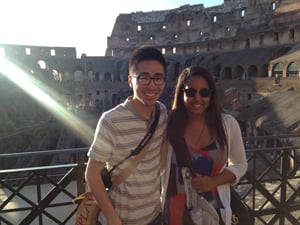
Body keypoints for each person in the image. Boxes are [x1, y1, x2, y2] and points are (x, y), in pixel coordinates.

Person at [85, 45, 169, 225]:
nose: (152, 85)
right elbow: (92, 174)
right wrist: (114, 220)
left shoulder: (162, 113)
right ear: (131, 80)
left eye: (158, 78)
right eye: (144, 77)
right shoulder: (111, 120)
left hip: (154, 217)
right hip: (119, 220)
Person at [165, 66, 248, 225]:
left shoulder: (227, 124)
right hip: (175, 212)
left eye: (204, 92)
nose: (198, 98)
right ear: (181, 93)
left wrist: (213, 181)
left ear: (211, 95)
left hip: (214, 211)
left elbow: (240, 164)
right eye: (190, 92)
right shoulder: (169, 124)